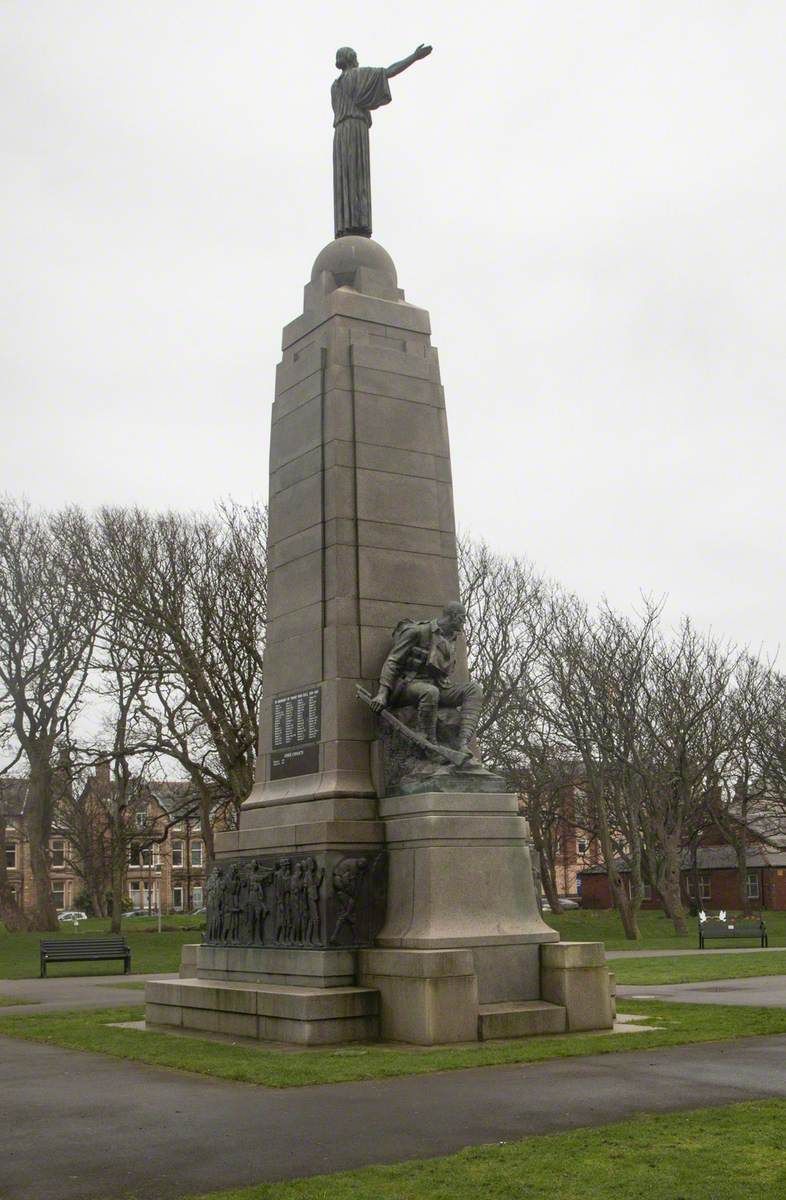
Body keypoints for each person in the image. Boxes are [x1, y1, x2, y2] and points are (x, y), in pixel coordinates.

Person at [332, 43, 432, 238]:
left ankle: (345, 224)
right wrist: (414, 57)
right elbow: (388, 72)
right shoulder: (358, 75)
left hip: (340, 133)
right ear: (352, 59)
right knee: (357, 176)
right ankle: (358, 223)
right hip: (356, 130)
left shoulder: (334, 87)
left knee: (345, 177)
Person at [369, 602, 483, 753]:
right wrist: (382, 694)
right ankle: (429, 745)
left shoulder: (451, 638)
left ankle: (462, 744)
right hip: (409, 685)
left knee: (474, 689)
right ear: (453, 616)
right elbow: (393, 661)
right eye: (462, 618)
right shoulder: (417, 631)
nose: (464, 622)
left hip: (439, 686)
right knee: (430, 692)